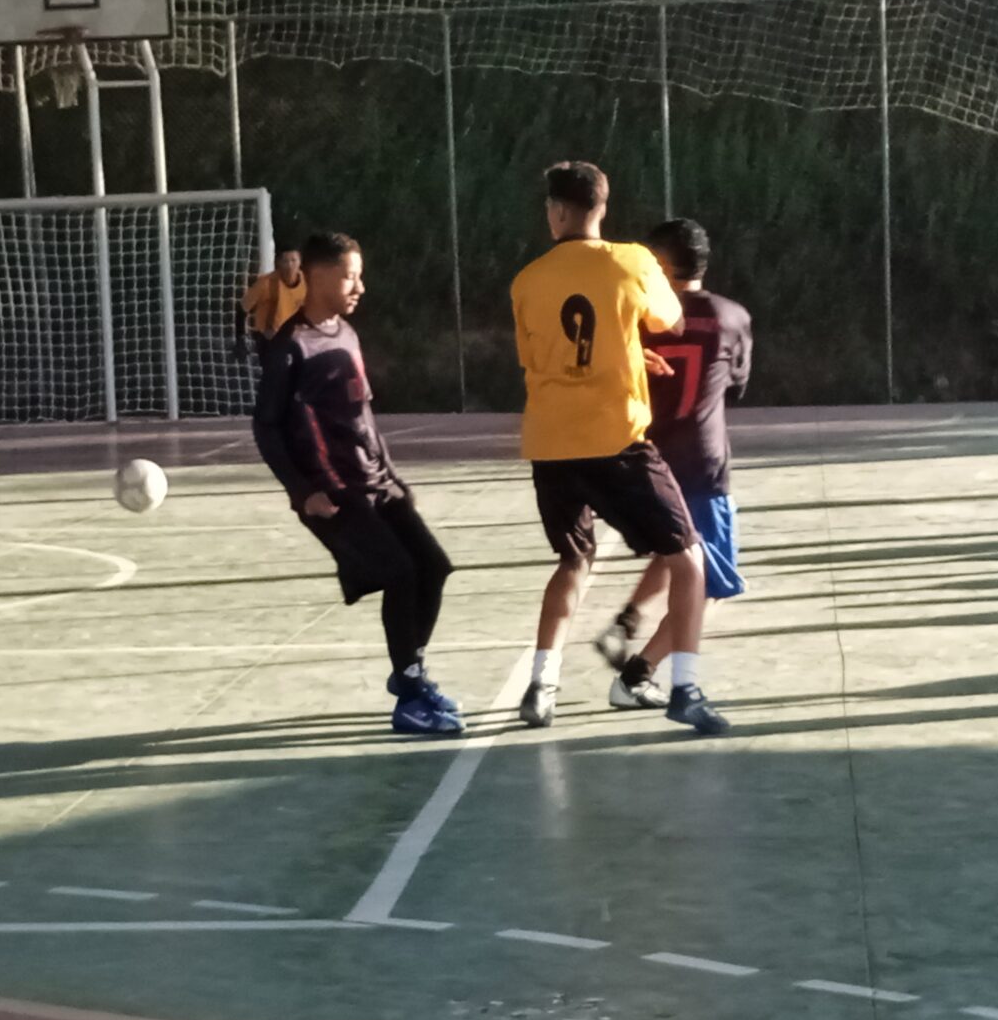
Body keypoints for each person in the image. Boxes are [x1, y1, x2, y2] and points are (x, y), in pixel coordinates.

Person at [511, 160, 729, 735]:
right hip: (614, 439)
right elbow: (671, 320)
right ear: (601, 208)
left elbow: (547, 357)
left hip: (550, 442)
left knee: (572, 562)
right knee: (689, 560)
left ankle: (542, 685)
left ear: (557, 211)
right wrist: (629, 348)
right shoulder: (631, 260)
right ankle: (685, 688)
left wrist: (624, 351)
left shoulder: (527, 280)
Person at [250, 232, 462, 736]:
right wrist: (303, 492)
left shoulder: (345, 333)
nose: (359, 287)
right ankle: (409, 698)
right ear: (318, 276)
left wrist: (393, 476)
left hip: (376, 481)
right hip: (333, 492)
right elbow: (266, 426)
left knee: (433, 566)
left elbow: (362, 415)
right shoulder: (290, 347)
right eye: (349, 276)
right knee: (400, 572)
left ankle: (410, 673)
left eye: (359, 276)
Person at [594, 218, 754, 711]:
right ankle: (637, 675)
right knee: (705, 585)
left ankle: (627, 620)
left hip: (644, 461)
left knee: (678, 552)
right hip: (701, 466)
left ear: (660, 266)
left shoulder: (635, 317)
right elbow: (737, 385)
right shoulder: (731, 317)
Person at [241, 247, 305, 341]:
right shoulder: (266, 283)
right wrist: (240, 337)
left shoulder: (307, 281)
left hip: (295, 335)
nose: (290, 265)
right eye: (285, 261)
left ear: (300, 262)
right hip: (268, 336)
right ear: (278, 263)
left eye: (293, 260)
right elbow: (243, 308)